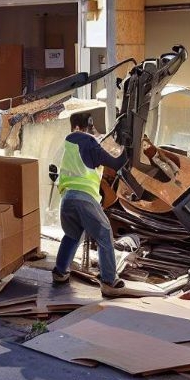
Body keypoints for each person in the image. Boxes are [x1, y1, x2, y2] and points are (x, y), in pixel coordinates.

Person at [53, 110, 129, 297]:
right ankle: (109, 281)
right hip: (84, 198)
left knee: (71, 235)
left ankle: (60, 272)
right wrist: (129, 145)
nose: (93, 131)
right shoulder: (87, 141)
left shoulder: (65, 146)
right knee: (104, 233)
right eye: (91, 127)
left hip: (67, 198)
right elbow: (117, 163)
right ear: (82, 127)